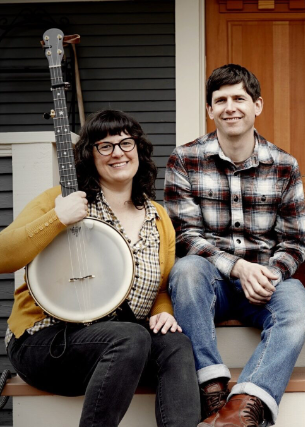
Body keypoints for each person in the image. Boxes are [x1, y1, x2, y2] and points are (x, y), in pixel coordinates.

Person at [1, 110, 200, 426]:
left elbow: (162, 287)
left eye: (125, 143)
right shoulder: (62, 199)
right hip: (47, 343)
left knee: (175, 343)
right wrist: (58, 218)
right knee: (131, 337)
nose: (118, 152)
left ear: (139, 149)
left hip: (120, 348)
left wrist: (164, 310)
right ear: (90, 156)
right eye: (104, 146)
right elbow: (3, 256)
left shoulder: (159, 218)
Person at [164, 63, 305, 427]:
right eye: (221, 100)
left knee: (297, 306)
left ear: (257, 105)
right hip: (210, 282)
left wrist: (267, 273)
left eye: (239, 98)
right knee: (185, 270)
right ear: (210, 110)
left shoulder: (284, 165)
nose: (230, 107)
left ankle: (242, 409)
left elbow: (295, 241)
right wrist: (237, 267)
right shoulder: (184, 159)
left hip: (263, 282)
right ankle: (212, 388)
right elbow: (184, 235)